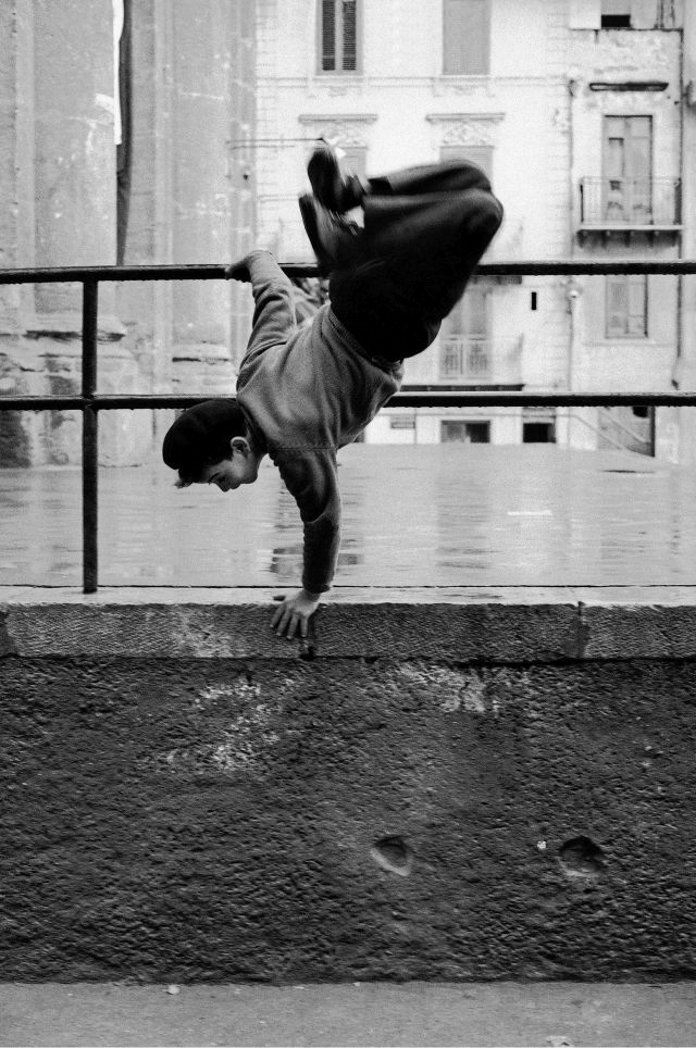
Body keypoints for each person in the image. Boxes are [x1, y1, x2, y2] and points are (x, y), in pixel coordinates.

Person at [162, 144, 503, 640]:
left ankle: (349, 241)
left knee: (482, 212)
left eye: (219, 478)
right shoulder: (251, 374)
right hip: (351, 293)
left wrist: (311, 592)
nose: (226, 488)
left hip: (393, 326)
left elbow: (324, 518)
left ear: (238, 447)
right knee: (471, 177)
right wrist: (257, 260)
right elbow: (276, 298)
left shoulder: (296, 446)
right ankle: (351, 205)